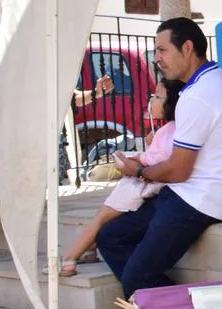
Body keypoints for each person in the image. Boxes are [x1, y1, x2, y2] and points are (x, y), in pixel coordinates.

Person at [96, 17, 222, 298]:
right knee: (110, 237)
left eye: (162, 50)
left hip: (199, 199)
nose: (157, 59)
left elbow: (178, 171)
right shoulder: (217, 79)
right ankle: (164, 301)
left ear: (187, 48)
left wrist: (136, 171)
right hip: (187, 193)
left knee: (137, 278)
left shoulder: (199, 95)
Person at [57, 78, 184, 276]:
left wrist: (133, 160)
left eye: (158, 97)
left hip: (139, 185)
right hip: (145, 185)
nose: (152, 100)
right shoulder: (169, 130)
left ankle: (69, 258)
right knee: (107, 218)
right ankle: (89, 251)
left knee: (101, 218)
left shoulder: (171, 131)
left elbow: (158, 159)